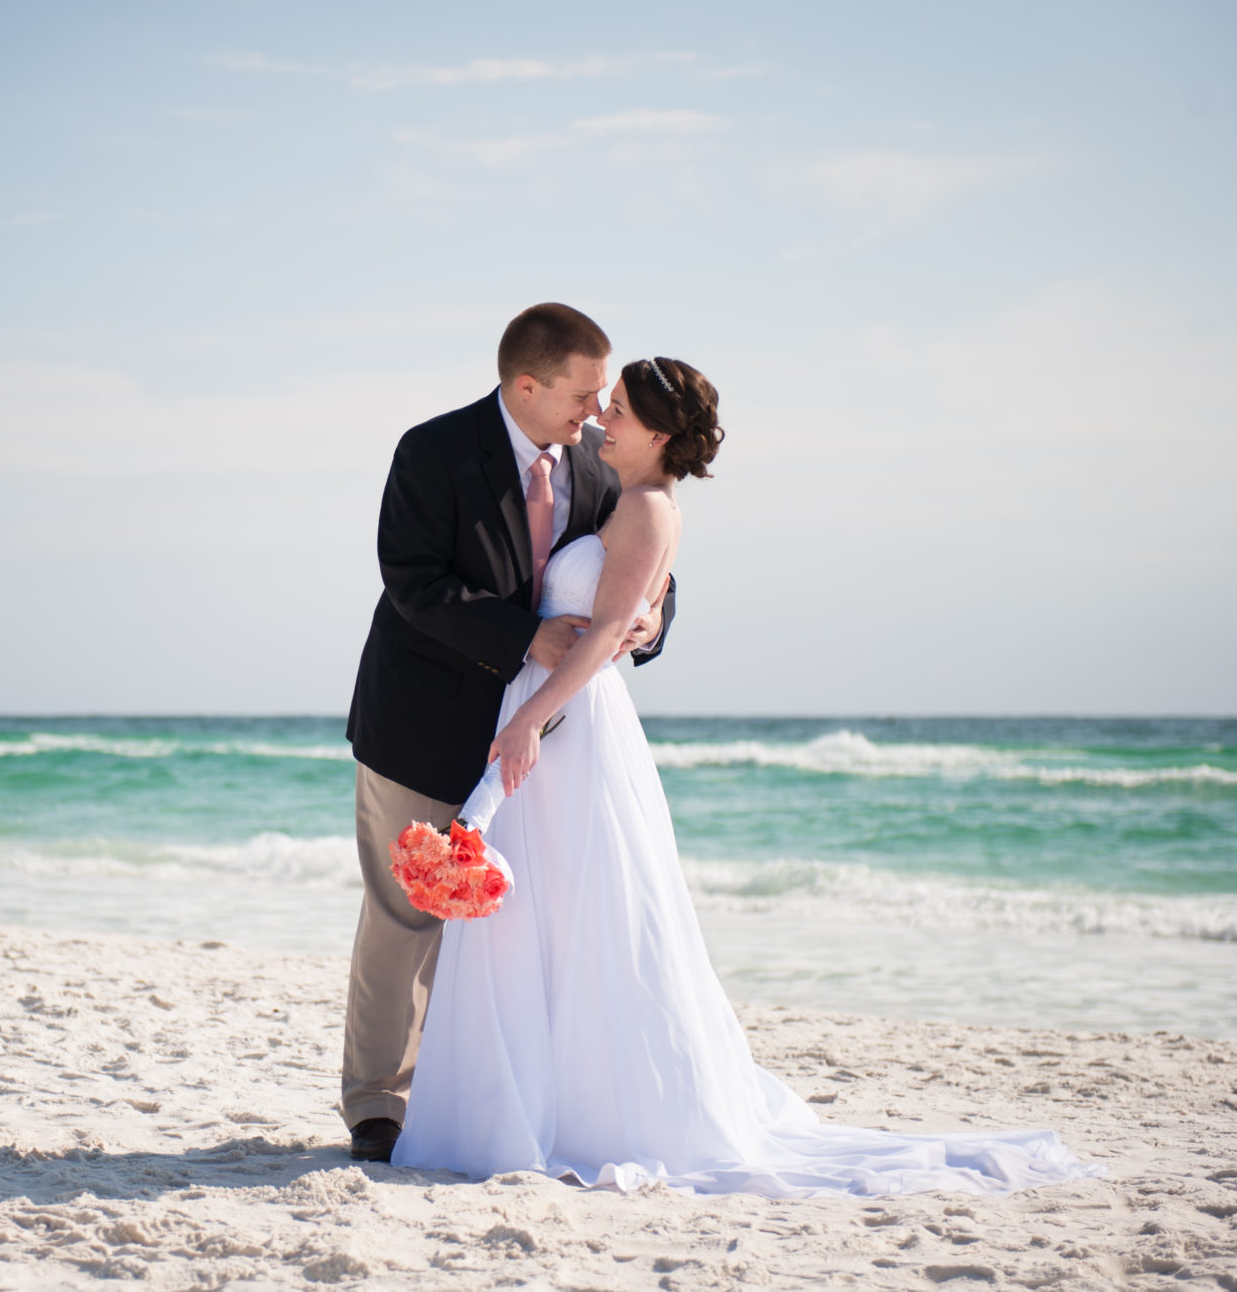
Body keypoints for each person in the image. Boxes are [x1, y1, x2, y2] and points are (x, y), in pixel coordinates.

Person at [391, 357, 1104, 1195]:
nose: (598, 421)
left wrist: (526, 718)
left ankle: (583, 1105)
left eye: (616, 411)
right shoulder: (618, 498)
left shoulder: (651, 510)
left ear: (658, 435)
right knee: (546, 919)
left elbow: (606, 631)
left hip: (571, 723)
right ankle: (526, 1098)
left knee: (592, 917)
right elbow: (606, 610)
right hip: (554, 711)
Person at [341, 303, 675, 1164]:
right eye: (583, 393)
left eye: (605, 397)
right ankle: (379, 1102)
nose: (598, 412)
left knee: (516, 929)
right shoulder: (432, 451)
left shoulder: (596, 465)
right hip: (423, 718)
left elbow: (641, 563)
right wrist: (524, 637)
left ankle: (486, 1099)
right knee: (407, 912)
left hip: (540, 742)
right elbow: (413, 583)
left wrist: (649, 620)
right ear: (526, 385)